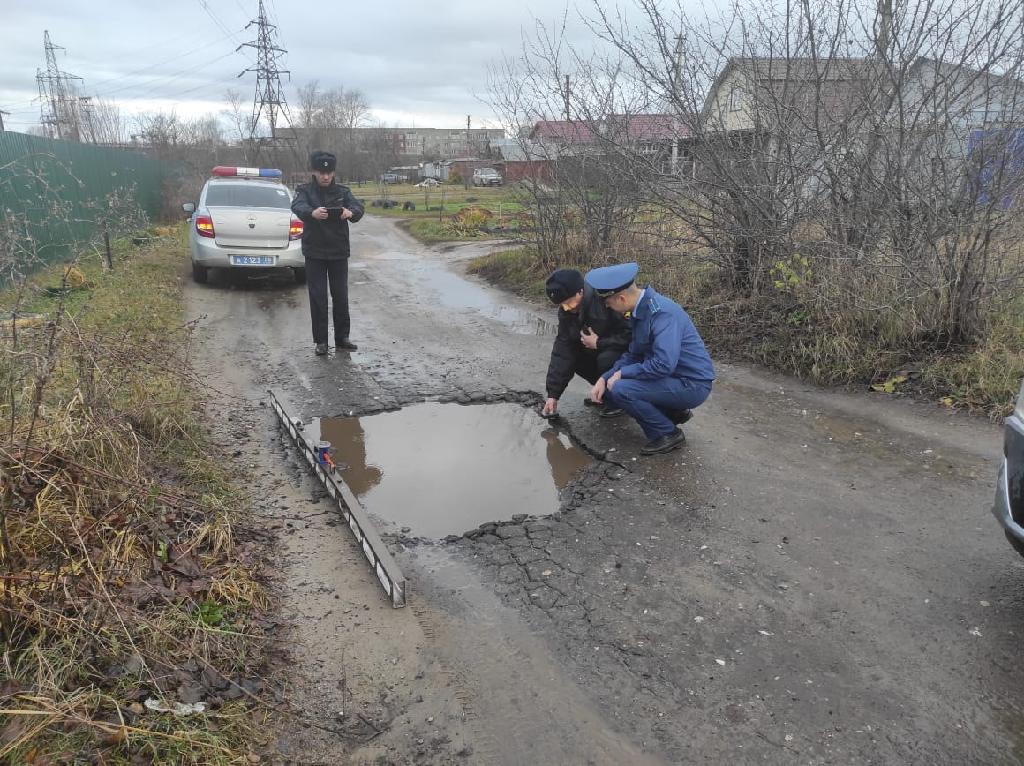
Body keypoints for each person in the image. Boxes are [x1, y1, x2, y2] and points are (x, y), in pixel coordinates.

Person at [587, 262, 715, 455]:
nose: (609, 308)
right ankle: (672, 412)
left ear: (621, 298)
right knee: (610, 386)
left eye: (609, 304)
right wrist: (604, 378)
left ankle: (667, 433)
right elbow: (634, 354)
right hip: (674, 378)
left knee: (622, 388)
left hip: (692, 384)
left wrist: (622, 374)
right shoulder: (641, 310)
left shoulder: (661, 314)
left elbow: (663, 364)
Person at [291, 150, 365, 356]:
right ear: (314, 171)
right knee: (318, 298)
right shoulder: (305, 191)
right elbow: (297, 205)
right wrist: (311, 213)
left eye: (329, 172)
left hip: (338, 252)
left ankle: (342, 338)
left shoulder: (343, 191)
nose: (325, 176)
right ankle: (321, 341)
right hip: (314, 252)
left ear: (333, 172)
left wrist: (351, 213)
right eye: (321, 172)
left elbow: (358, 206)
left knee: (341, 296)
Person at [542, 268, 632, 419]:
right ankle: (604, 394)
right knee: (575, 358)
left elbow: (631, 335)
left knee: (606, 358)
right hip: (601, 350)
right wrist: (553, 394)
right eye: (562, 305)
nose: (567, 308)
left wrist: (599, 343)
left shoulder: (606, 299)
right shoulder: (567, 312)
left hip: (625, 354)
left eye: (569, 302)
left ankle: (618, 400)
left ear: (580, 291)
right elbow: (563, 350)